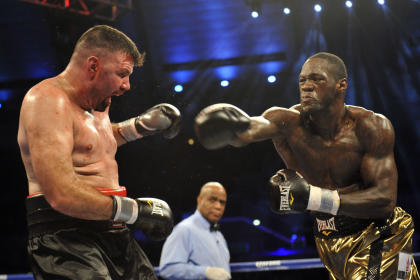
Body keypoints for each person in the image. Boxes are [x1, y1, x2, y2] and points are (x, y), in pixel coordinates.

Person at [194, 52, 419, 280]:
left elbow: (385, 200)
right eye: (302, 80)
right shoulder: (287, 122)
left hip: (382, 234)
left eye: (317, 79)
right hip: (329, 238)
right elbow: (250, 129)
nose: (307, 86)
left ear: (341, 85)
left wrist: (312, 198)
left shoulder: (371, 127)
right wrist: (229, 125)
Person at [17, 25, 182, 280]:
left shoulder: (98, 102)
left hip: (112, 229)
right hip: (67, 237)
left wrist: (138, 127)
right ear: (93, 66)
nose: (127, 85)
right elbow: (60, 194)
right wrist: (135, 211)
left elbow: (95, 142)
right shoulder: (46, 101)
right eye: (122, 74)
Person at [159, 182, 231, 280]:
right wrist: (205, 272)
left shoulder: (219, 236)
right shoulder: (184, 229)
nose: (218, 206)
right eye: (212, 200)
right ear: (199, 200)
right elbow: (167, 269)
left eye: (222, 202)